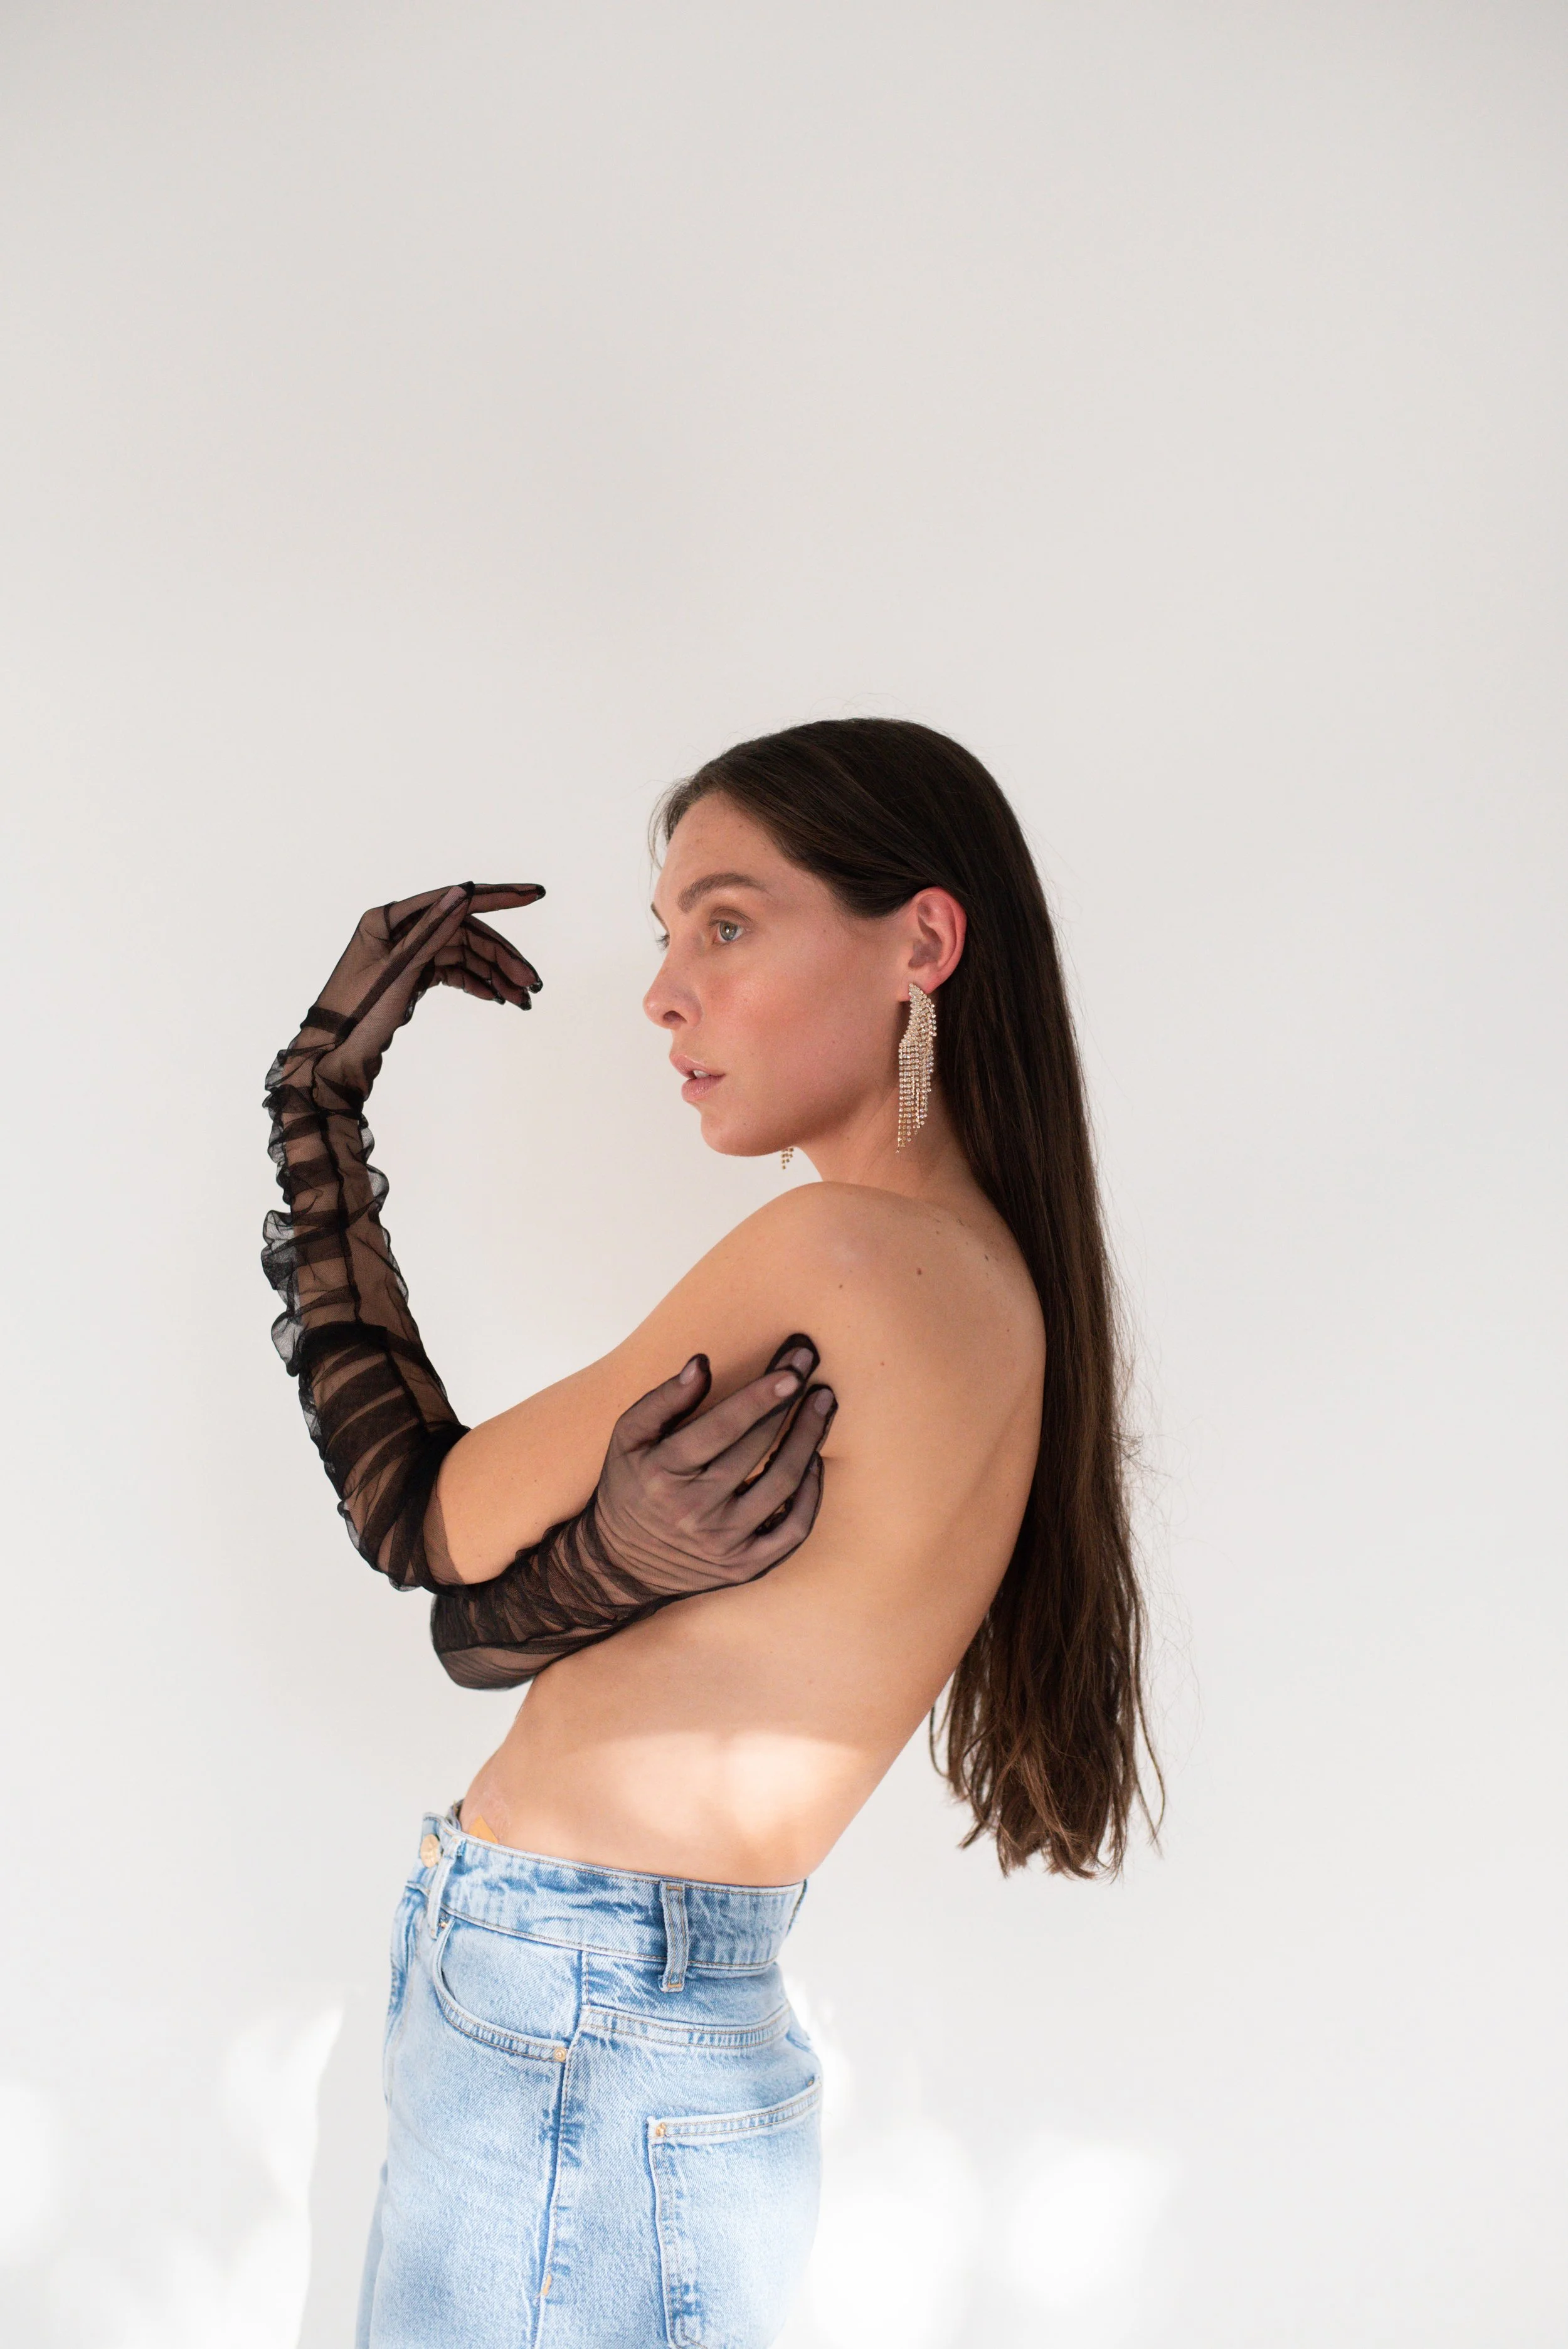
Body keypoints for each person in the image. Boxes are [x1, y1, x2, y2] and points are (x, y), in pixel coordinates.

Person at [262, 717, 1159, 2349]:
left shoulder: (832, 1254)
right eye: (670, 934)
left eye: (726, 924)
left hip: (576, 2011)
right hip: (645, 2009)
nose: (665, 992)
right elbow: (482, 1631)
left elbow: (423, 1521)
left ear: (921, 943)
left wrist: (317, 1102)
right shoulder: (992, 1286)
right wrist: (600, 1569)